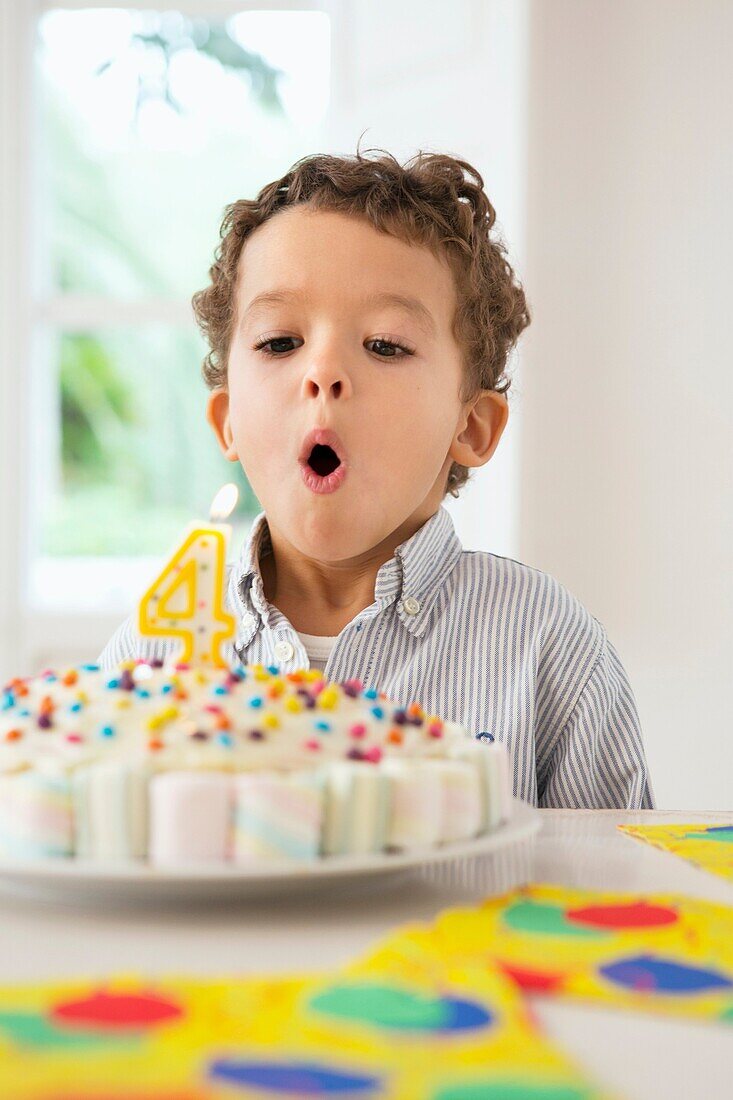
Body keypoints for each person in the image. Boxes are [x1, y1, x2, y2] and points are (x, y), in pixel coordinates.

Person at [99, 146, 655, 810]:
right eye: (280, 341)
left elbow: (614, 890)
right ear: (228, 422)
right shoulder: (154, 648)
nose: (323, 372)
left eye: (386, 345)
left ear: (470, 427)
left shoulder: (548, 647)